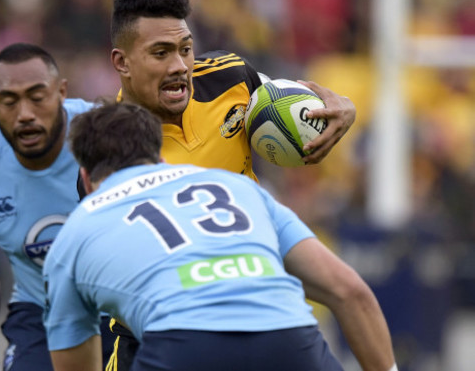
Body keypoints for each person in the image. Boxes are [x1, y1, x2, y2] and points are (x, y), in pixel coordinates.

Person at [104, 0, 358, 369]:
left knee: (351, 292)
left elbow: (290, 102)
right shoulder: (109, 154)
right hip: (157, 332)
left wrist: (342, 109)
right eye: (160, 53)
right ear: (122, 62)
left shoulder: (230, 77)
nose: (179, 66)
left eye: (185, 49)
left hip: (255, 295)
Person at [43, 103, 397, 371]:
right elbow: (349, 291)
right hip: (289, 336)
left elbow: (75, 360)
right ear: (161, 158)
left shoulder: (77, 228)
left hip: (182, 344)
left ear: (87, 179)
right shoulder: (236, 186)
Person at [0, 43, 115, 371]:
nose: (25, 114)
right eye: (8, 101)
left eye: (37, 97)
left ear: (61, 92)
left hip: (122, 307)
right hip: (41, 312)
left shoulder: (110, 136)